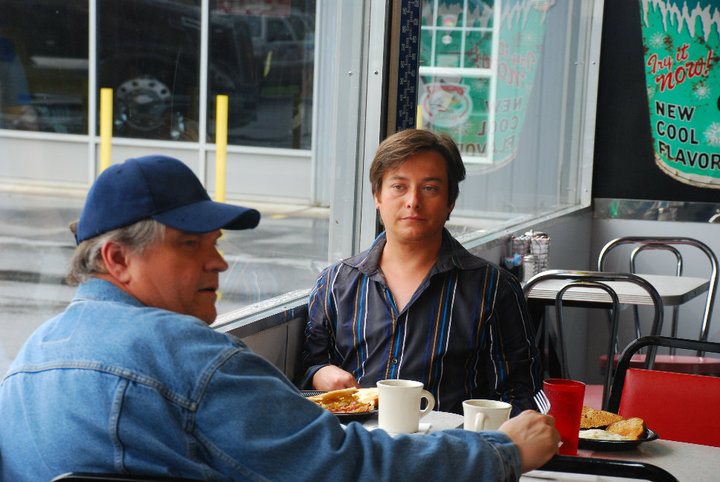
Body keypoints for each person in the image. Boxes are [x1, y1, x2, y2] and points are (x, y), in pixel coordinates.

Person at [0, 154, 558, 481]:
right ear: (118, 259)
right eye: (193, 245)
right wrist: (502, 453)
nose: (219, 262)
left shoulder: (25, 362)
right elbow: (346, 466)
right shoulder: (198, 362)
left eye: (216, 243)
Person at [302, 129, 542, 415]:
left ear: (450, 201)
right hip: (358, 449)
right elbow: (309, 368)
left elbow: (517, 395)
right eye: (398, 187)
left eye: (430, 188)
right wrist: (320, 374)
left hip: (449, 451)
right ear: (377, 196)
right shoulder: (335, 283)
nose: (413, 201)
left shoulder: (494, 288)